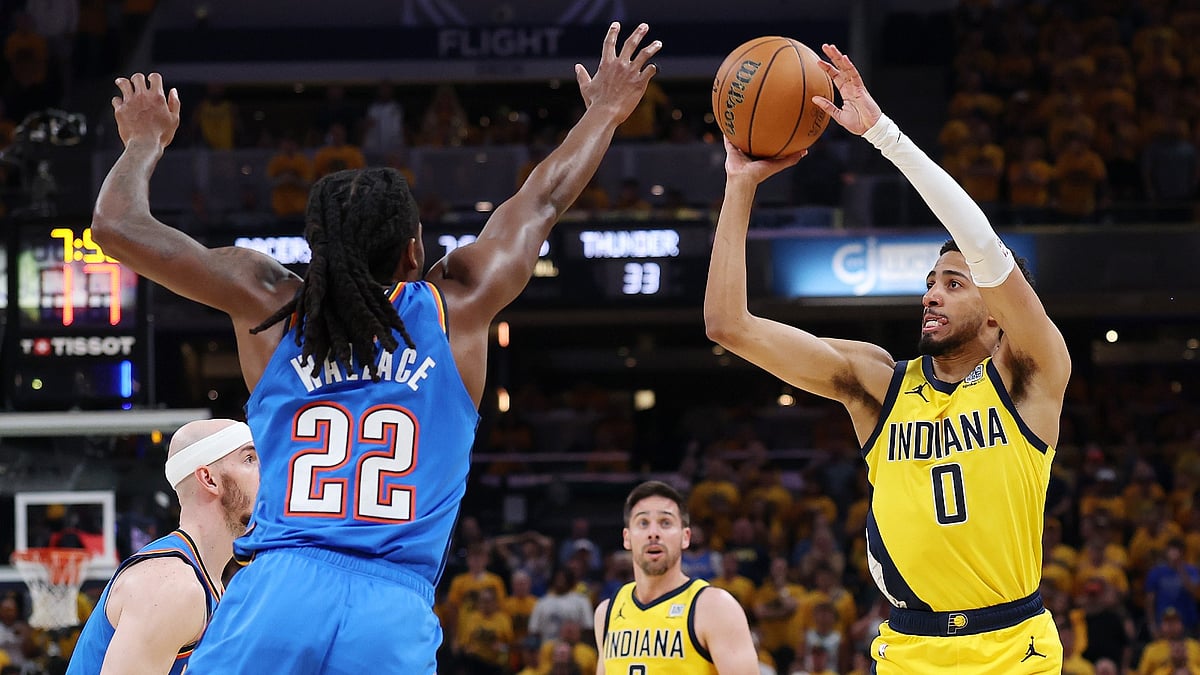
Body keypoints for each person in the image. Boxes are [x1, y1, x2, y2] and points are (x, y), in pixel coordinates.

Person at [91, 21, 661, 674]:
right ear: (415, 249)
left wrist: (142, 142)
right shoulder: (460, 304)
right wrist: (608, 111)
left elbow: (116, 226)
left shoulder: (270, 304)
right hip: (391, 608)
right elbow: (542, 200)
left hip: (277, 593)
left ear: (316, 251)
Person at [704, 43, 1071, 674]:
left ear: (996, 313)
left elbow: (983, 244)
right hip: (907, 650)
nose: (932, 293)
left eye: (954, 283)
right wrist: (739, 188)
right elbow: (727, 325)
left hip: (1014, 649)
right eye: (931, 281)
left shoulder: (1031, 375)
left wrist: (882, 134)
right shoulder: (877, 385)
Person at [65, 419, 259, 674]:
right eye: (249, 459)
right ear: (209, 479)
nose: (267, 473)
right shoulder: (172, 585)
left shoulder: (204, 583)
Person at [595, 481, 759, 674]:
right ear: (627, 537)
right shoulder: (606, 613)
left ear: (685, 537)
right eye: (643, 523)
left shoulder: (715, 608)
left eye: (665, 523)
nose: (653, 533)